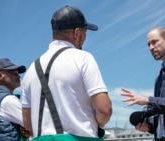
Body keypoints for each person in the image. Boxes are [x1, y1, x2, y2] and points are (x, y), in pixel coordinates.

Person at [21, 5, 112, 141]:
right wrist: (97, 123)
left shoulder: (31, 69)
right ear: (77, 33)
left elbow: (28, 124)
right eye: (85, 33)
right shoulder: (83, 58)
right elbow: (104, 110)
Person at [0, 58, 30, 141]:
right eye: (14, 73)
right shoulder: (8, 100)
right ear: (0, 76)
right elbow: (34, 126)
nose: (19, 76)